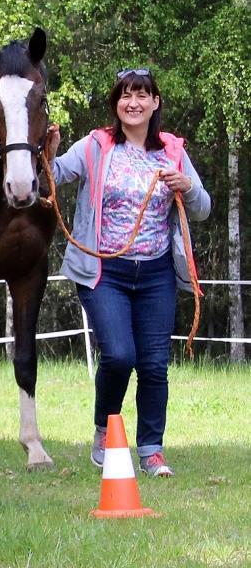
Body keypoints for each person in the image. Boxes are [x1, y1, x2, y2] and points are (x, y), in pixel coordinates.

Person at [47, 68, 210, 478]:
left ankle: (152, 450)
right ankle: (106, 430)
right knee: (119, 356)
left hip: (155, 273)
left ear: (155, 103)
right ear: (116, 103)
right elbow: (56, 174)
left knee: (154, 365)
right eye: (125, 95)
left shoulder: (172, 151)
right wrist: (45, 151)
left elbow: (204, 207)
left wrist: (186, 187)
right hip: (104, 271)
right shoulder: (97, 145)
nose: (133, 102)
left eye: (142, 95)